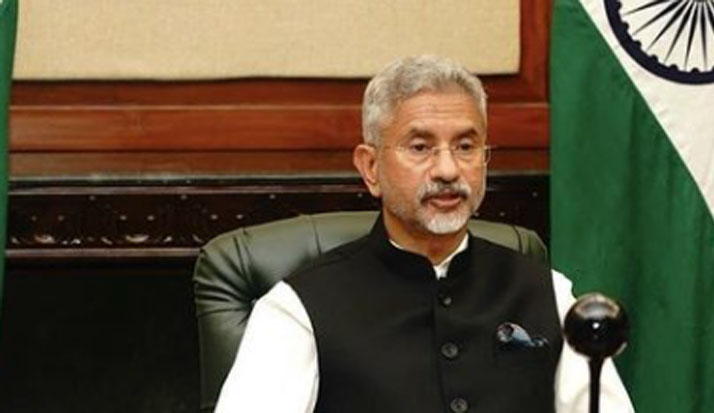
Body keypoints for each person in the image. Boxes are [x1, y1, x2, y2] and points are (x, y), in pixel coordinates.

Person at [215, 55, 633, 412]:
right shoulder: (298, 309)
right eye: (420, 147)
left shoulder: (548, 294)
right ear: (371, 167)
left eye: (466, 147)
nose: (448, 170)